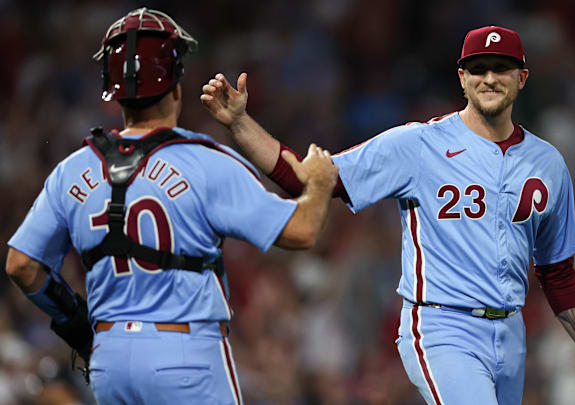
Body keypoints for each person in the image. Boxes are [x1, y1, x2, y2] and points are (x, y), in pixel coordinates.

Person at [201, 26, 575, 404]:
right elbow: (311, 179)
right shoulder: (418, 145)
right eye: (478, 69)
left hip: (511, 334)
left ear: (523, 77)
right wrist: (241, 124)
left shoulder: (548, 163)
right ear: (462, 77)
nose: (489, 78)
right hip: (442, 325)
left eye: (501, 68)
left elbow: (558, 274)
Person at [5, 8, 337, 405]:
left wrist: (75, 321)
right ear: (176, 84)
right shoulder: (206, 161)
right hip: (185, 354)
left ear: (112, 89)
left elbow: (21, 265)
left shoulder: (71, 170)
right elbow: (301, 232)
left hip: (109, 359)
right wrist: (318, 185)